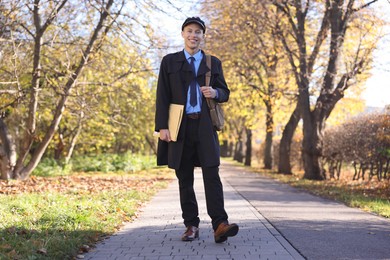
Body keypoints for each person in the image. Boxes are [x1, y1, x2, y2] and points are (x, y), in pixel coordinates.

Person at [154, 17, 239, 243]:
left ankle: (220, 224)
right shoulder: (170, 62)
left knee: (212, 173)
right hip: (179, 127)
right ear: (183, 34)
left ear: (203, 36)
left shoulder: (213, 63)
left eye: (198, 32)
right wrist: (162, 127)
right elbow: (162, 95)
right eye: (190, 31)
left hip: (204, 126)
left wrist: (216, 93)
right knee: (184, 178)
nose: (194, 35)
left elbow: (225, 92)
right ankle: (191, 225)